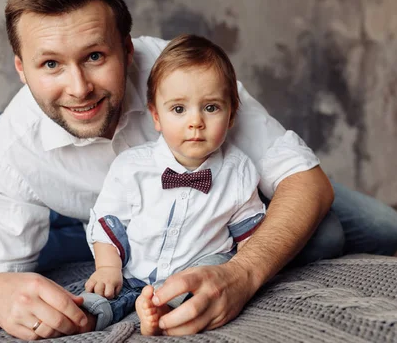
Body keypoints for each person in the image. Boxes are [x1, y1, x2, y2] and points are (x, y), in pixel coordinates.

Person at [0, 0, 397, 340]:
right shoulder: (10, 150)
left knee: (379, 225)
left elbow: (306, 178)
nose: (78, 87)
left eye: (96, 56)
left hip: (236, 197)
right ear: (21, 67)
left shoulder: (180, 69)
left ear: (129, 48)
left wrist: (240, 274)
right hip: (140, 241)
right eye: (50, 64)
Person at [80, 33, 267, 335]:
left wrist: (245, 276)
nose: (195, 122)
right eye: (179, 109)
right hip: (133, 273)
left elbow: (250, 234)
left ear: (232, 114)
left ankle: (169, 308)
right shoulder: (132, 167)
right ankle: (91, 315)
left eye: (211, 108)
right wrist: (107, 268)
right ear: (156, 115)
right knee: (98, 297)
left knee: (216, 266)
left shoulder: (239, 170)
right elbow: (107, 223)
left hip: (192, 274)